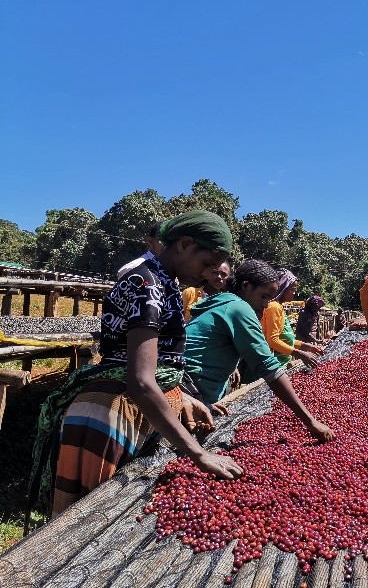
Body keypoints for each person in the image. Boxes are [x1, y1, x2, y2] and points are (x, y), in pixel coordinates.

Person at [29, 210, 244, 517]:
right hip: (110, 416)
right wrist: (199, 455)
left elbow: (160, 361)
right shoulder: (147, 285)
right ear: (184, 245)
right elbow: (142, 382)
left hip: (121, 409)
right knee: (88, 519)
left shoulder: (165, 282)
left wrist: (184, 397)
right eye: (206, 263)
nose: (208, 273)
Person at [182, 260, 334, 442]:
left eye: (269, 299)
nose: (265, 304)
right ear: (246, 286)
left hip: (188, 388)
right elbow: (269, 368)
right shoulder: (240, 308)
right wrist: (310, 421)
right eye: (263, 296)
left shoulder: (220, 301)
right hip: (189, 389)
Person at [261, 269, 323, 368]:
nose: (295, 293)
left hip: (282, 364)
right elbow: (273, 341)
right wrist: (300, 354)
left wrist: (308, 347)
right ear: (283, 288)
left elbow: (287, 340)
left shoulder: (280, 307)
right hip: (272, 366)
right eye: (292, 289)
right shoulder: (273, 307)